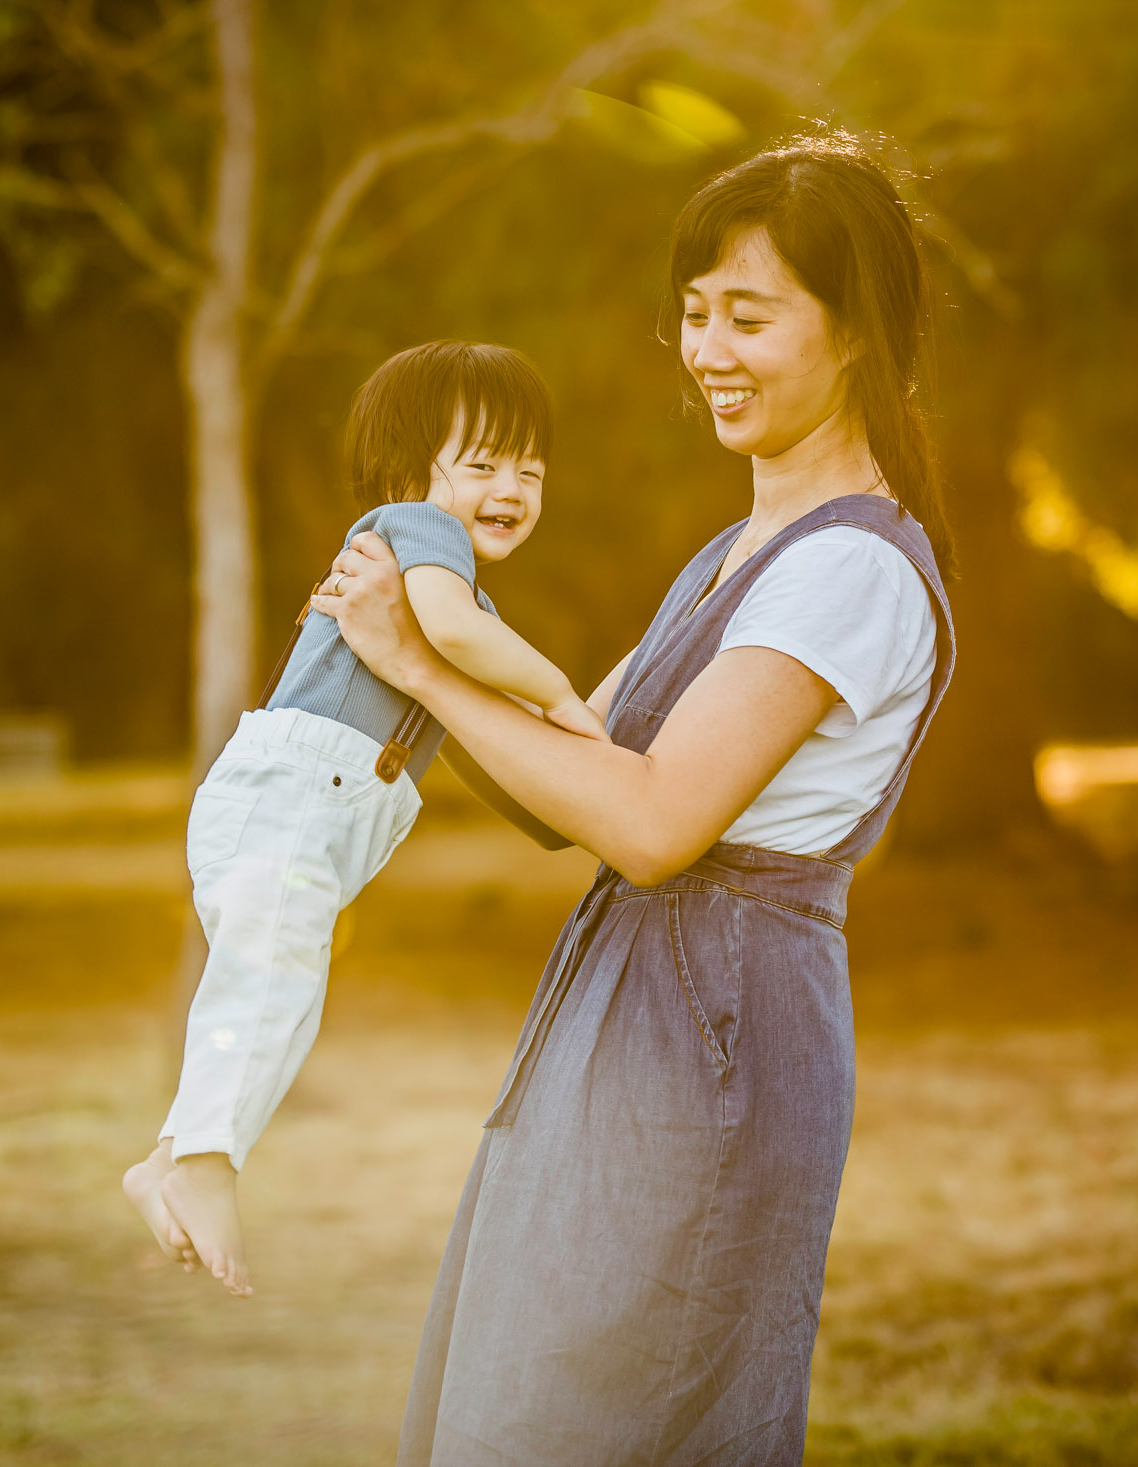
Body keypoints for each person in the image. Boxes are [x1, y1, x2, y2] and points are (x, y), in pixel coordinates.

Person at [312, 133, 958, 1464]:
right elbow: (571, 774)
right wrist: (409, 647)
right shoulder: (739, 551)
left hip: (715, 1039)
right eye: (692, 312)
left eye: (749, 314)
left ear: (855, 333)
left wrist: (417, 655)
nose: (706, 347)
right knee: (531, 1406)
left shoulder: (854, 571)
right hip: (636, 1022)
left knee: (604, 1415)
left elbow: (655, 822)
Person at [123, 340, 608, 1298]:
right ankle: (208, 1164)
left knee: (278, 989)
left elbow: (498, 749)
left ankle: (173, 1150)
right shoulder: (419, 532)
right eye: (482, 464)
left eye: (530, 469)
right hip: (295, 795)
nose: (510, 486)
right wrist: (560, 691)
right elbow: (464, 640)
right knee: (272, 977)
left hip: (311, 812)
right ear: (413, 472)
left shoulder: (455, 578)